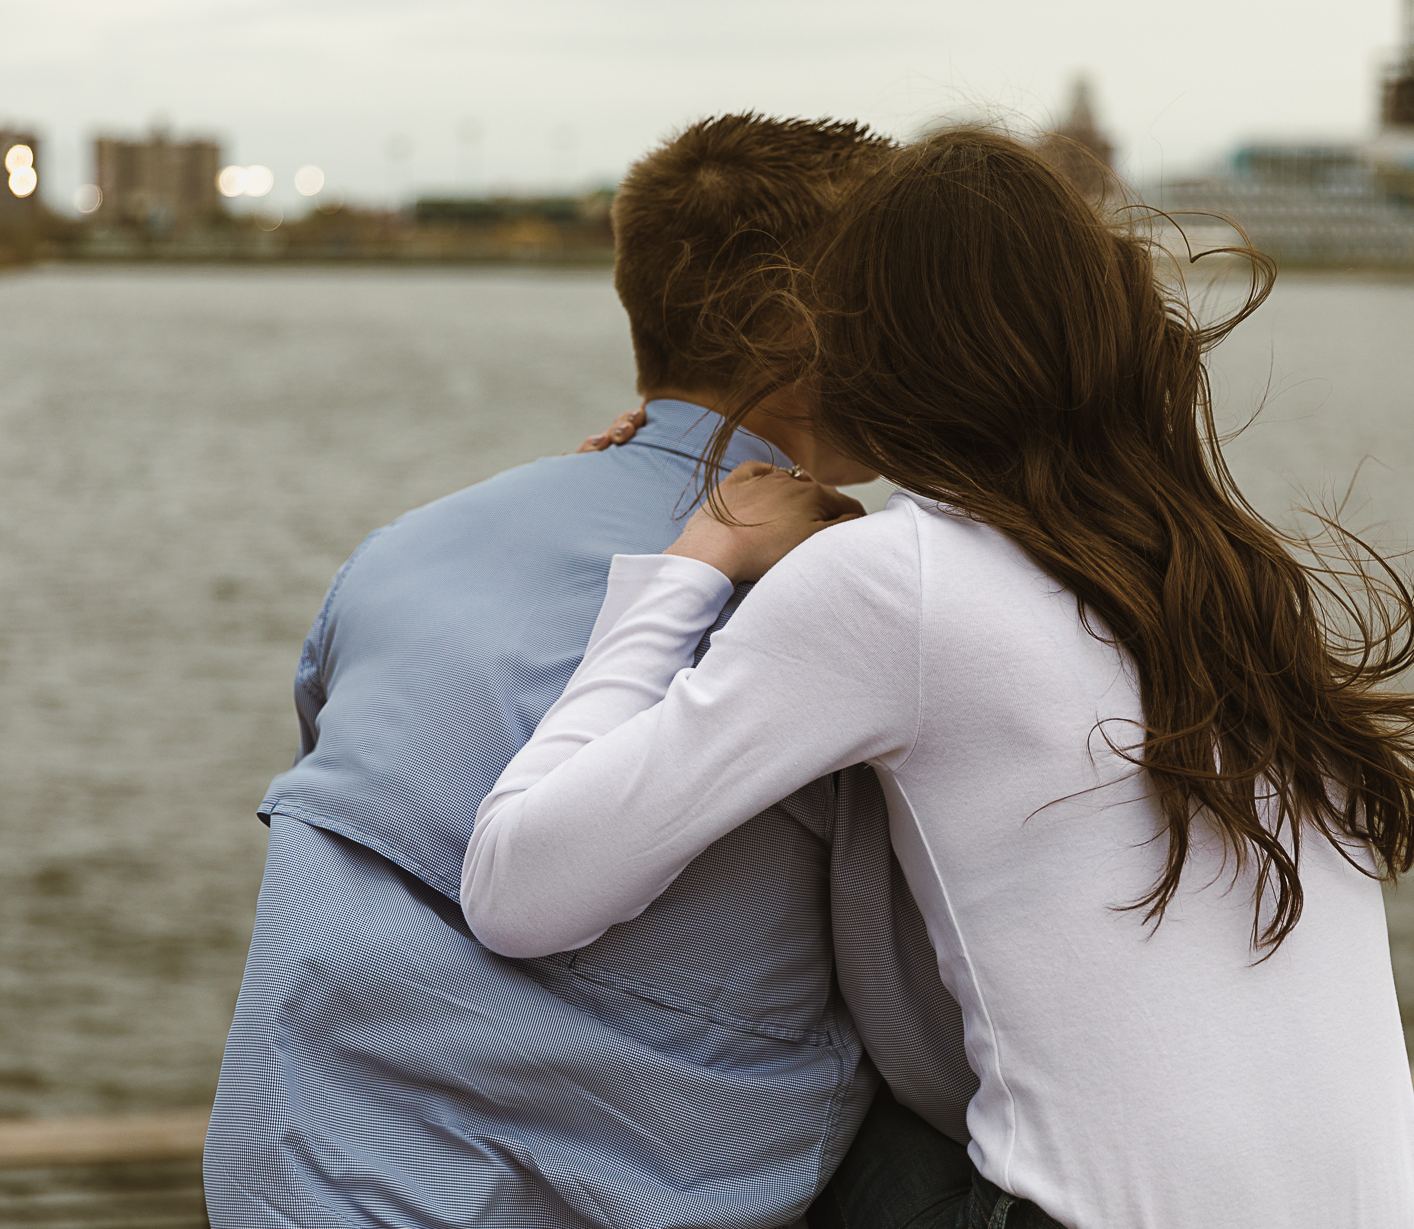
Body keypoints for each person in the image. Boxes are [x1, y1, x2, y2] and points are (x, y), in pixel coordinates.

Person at [462, 127, 1414, 1228]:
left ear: (864, 346)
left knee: (807, 1126)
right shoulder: (1219, 567)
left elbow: (520, 889)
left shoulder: (894, 581)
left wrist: (692, 560)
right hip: (1397, 1212)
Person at [204, 114, 979, 1229]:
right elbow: (925, 1037)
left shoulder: (399, 551)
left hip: (280, 1190)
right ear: (814, 327)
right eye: (908, 300)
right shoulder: (846, 612)